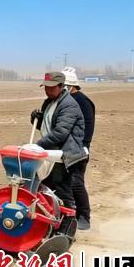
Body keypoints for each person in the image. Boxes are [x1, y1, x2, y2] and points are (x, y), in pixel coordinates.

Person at [30, 71, 87, 236]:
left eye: (51, 88)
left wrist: (37, 146)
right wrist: (36, 118)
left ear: (62, 86)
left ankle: (67, 230)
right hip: (51, 154)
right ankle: (48, 224)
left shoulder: (69, 105)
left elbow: (60, 133)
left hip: (64, 155)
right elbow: (46, 126)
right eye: (45, 87)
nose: (47, 91)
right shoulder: (49, 102)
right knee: (44, 189)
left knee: (64, 192)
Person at [61, 66, 96, 231]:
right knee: (61, 183)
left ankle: (84, 217)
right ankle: (69, 214)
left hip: (78, 150)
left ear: (70, 85)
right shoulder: (63, 101)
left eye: (63, 86)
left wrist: (84, 145)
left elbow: (88, 125)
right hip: (63, 149)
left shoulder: (83, 101)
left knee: (75, 183)